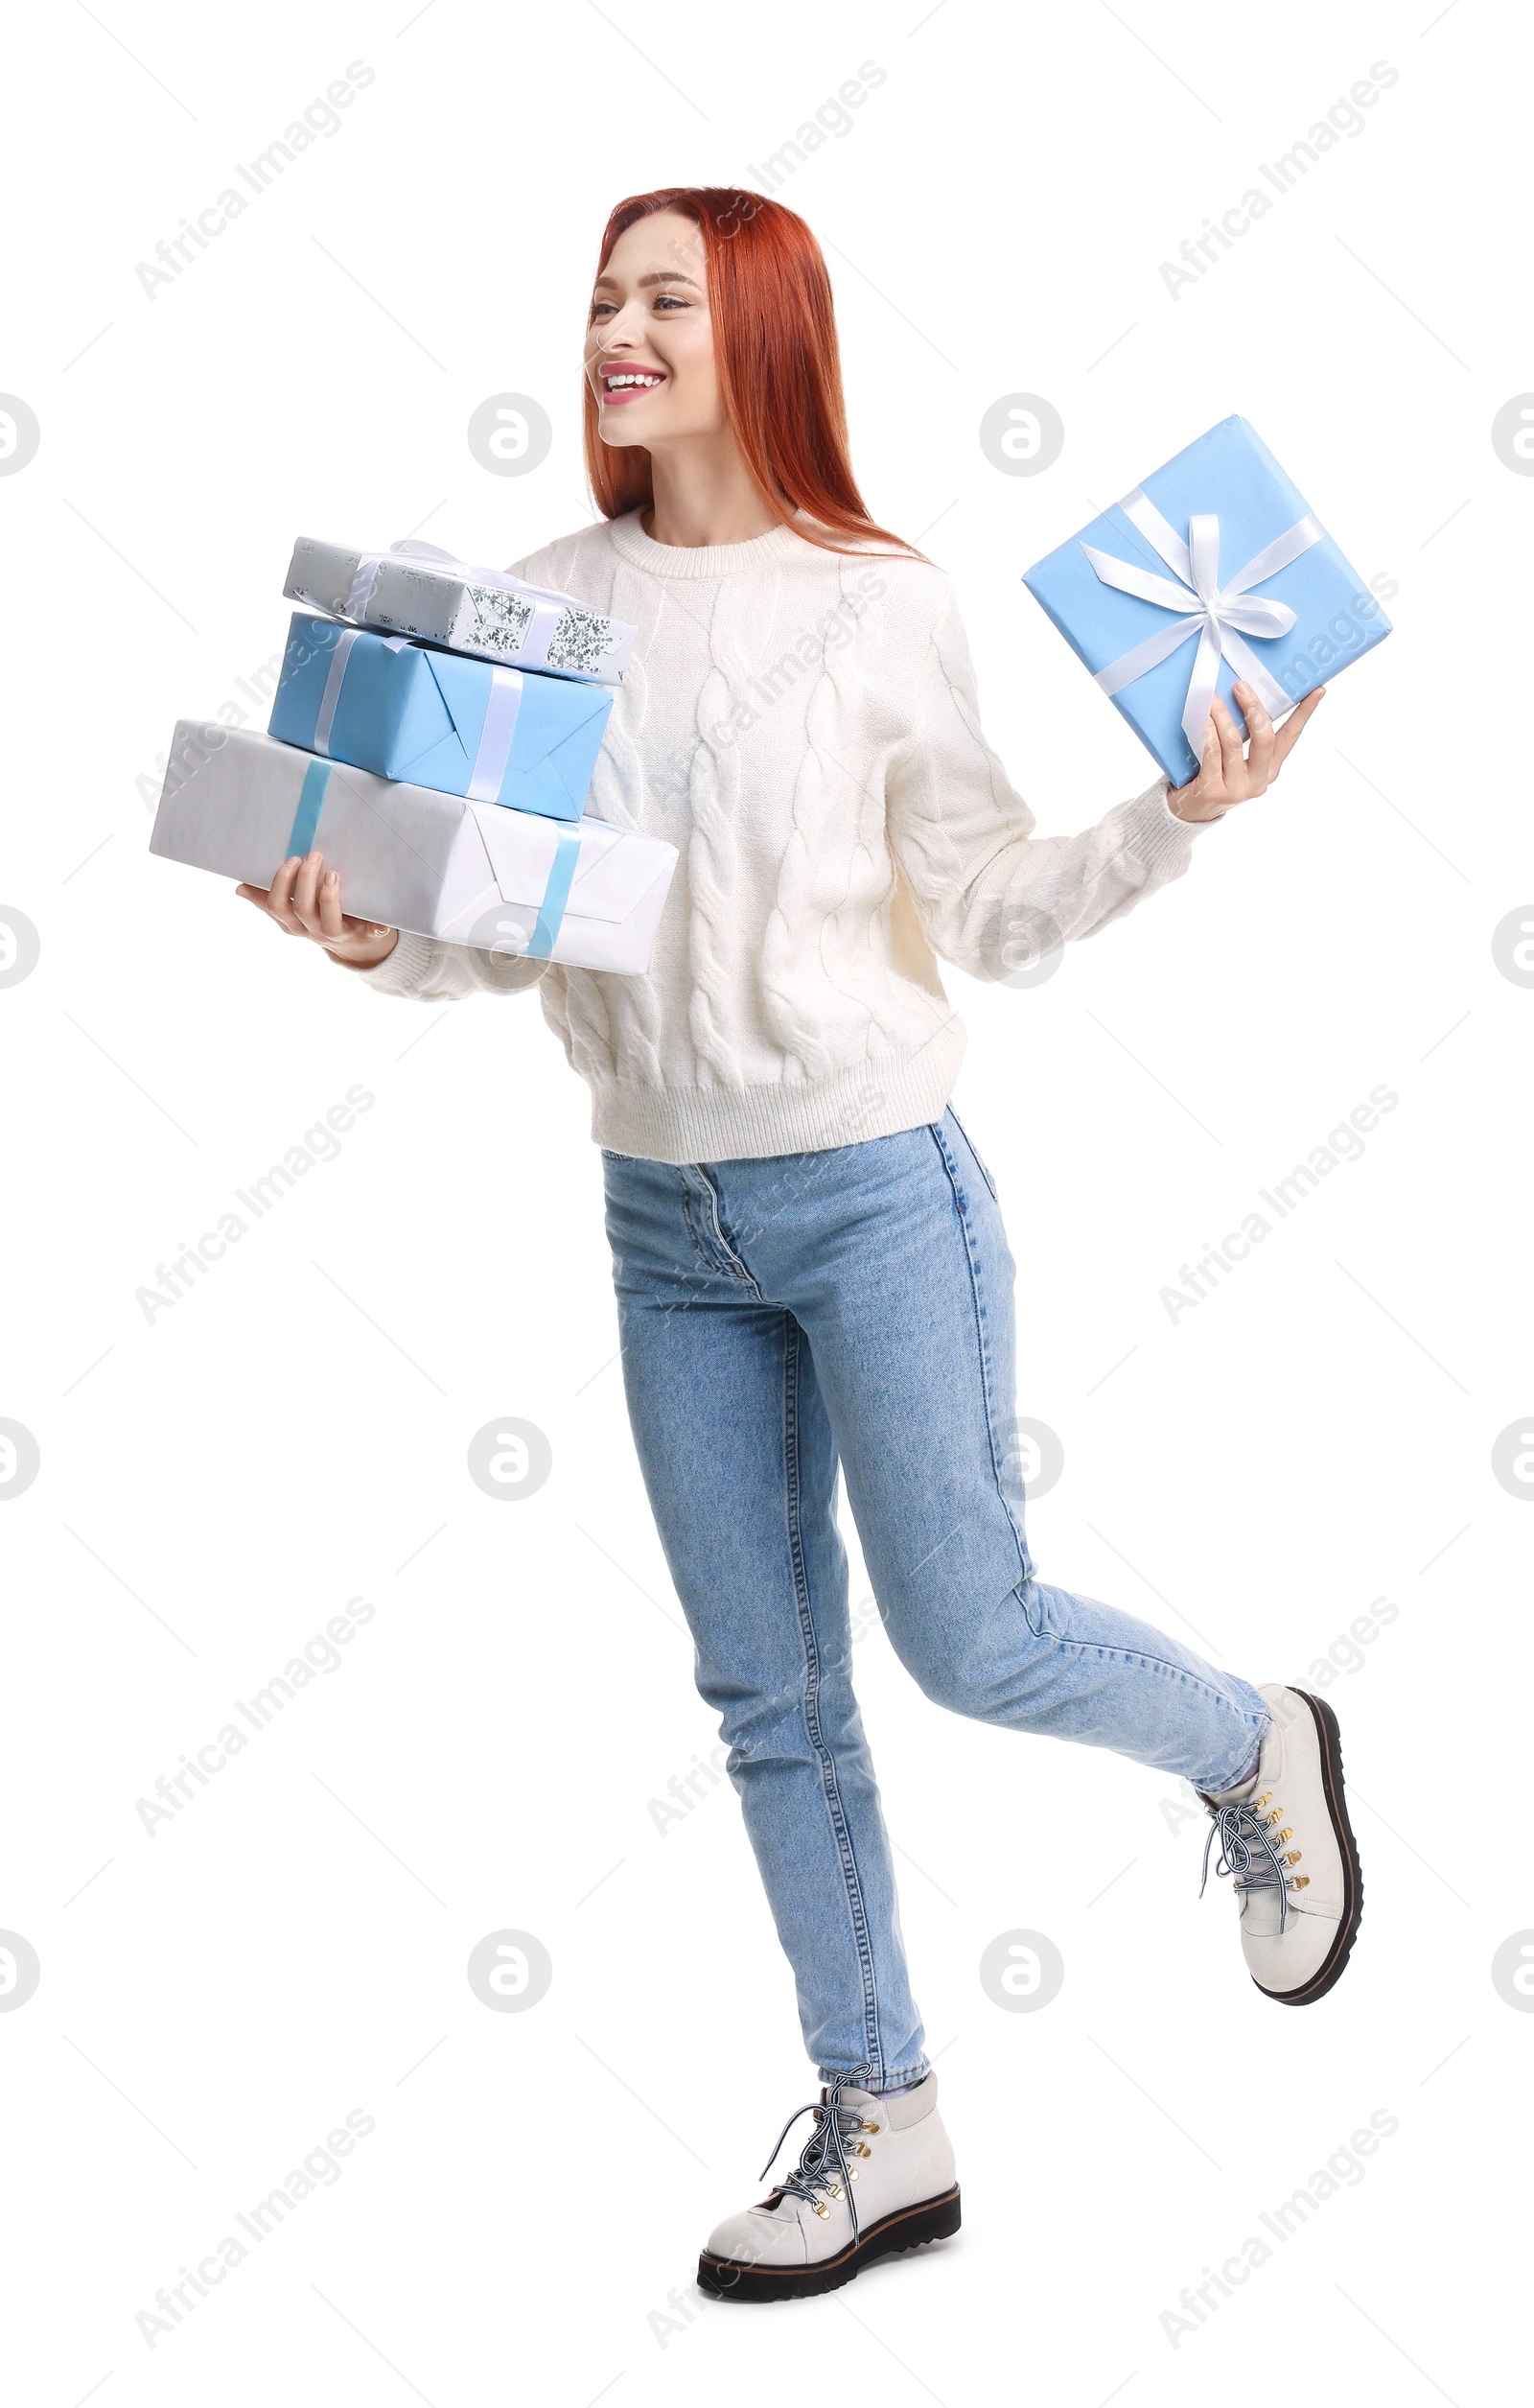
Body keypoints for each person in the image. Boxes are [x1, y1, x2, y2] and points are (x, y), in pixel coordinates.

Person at [238, 185, 1362, 2303]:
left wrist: (1173, 816)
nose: (615, 330)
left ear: (757, 324)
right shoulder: (533, 608)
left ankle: (1248, 1737)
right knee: (767, 1693)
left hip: (871, 1195)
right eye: (598, 297)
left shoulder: (877, 605)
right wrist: (373, 927)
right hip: (660, 1220)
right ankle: (885, 2118)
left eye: (662, 295)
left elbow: (996, 906)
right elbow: (497, 937)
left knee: (973, 1636)